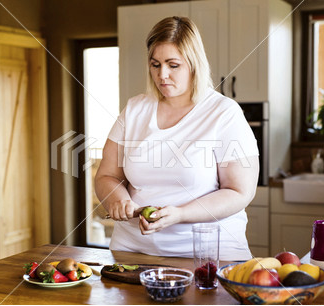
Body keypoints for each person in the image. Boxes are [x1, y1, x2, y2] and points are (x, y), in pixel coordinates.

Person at [95, 16, 259, 260]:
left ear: (193, 64)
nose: (162, 75)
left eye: (173, 65)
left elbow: (239, 191)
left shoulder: (224, 113)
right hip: (133, 252)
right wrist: (117, 200)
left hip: (207, 257)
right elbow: (107, 175)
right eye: (155, 64)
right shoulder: (134, 110)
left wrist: (180, 214)